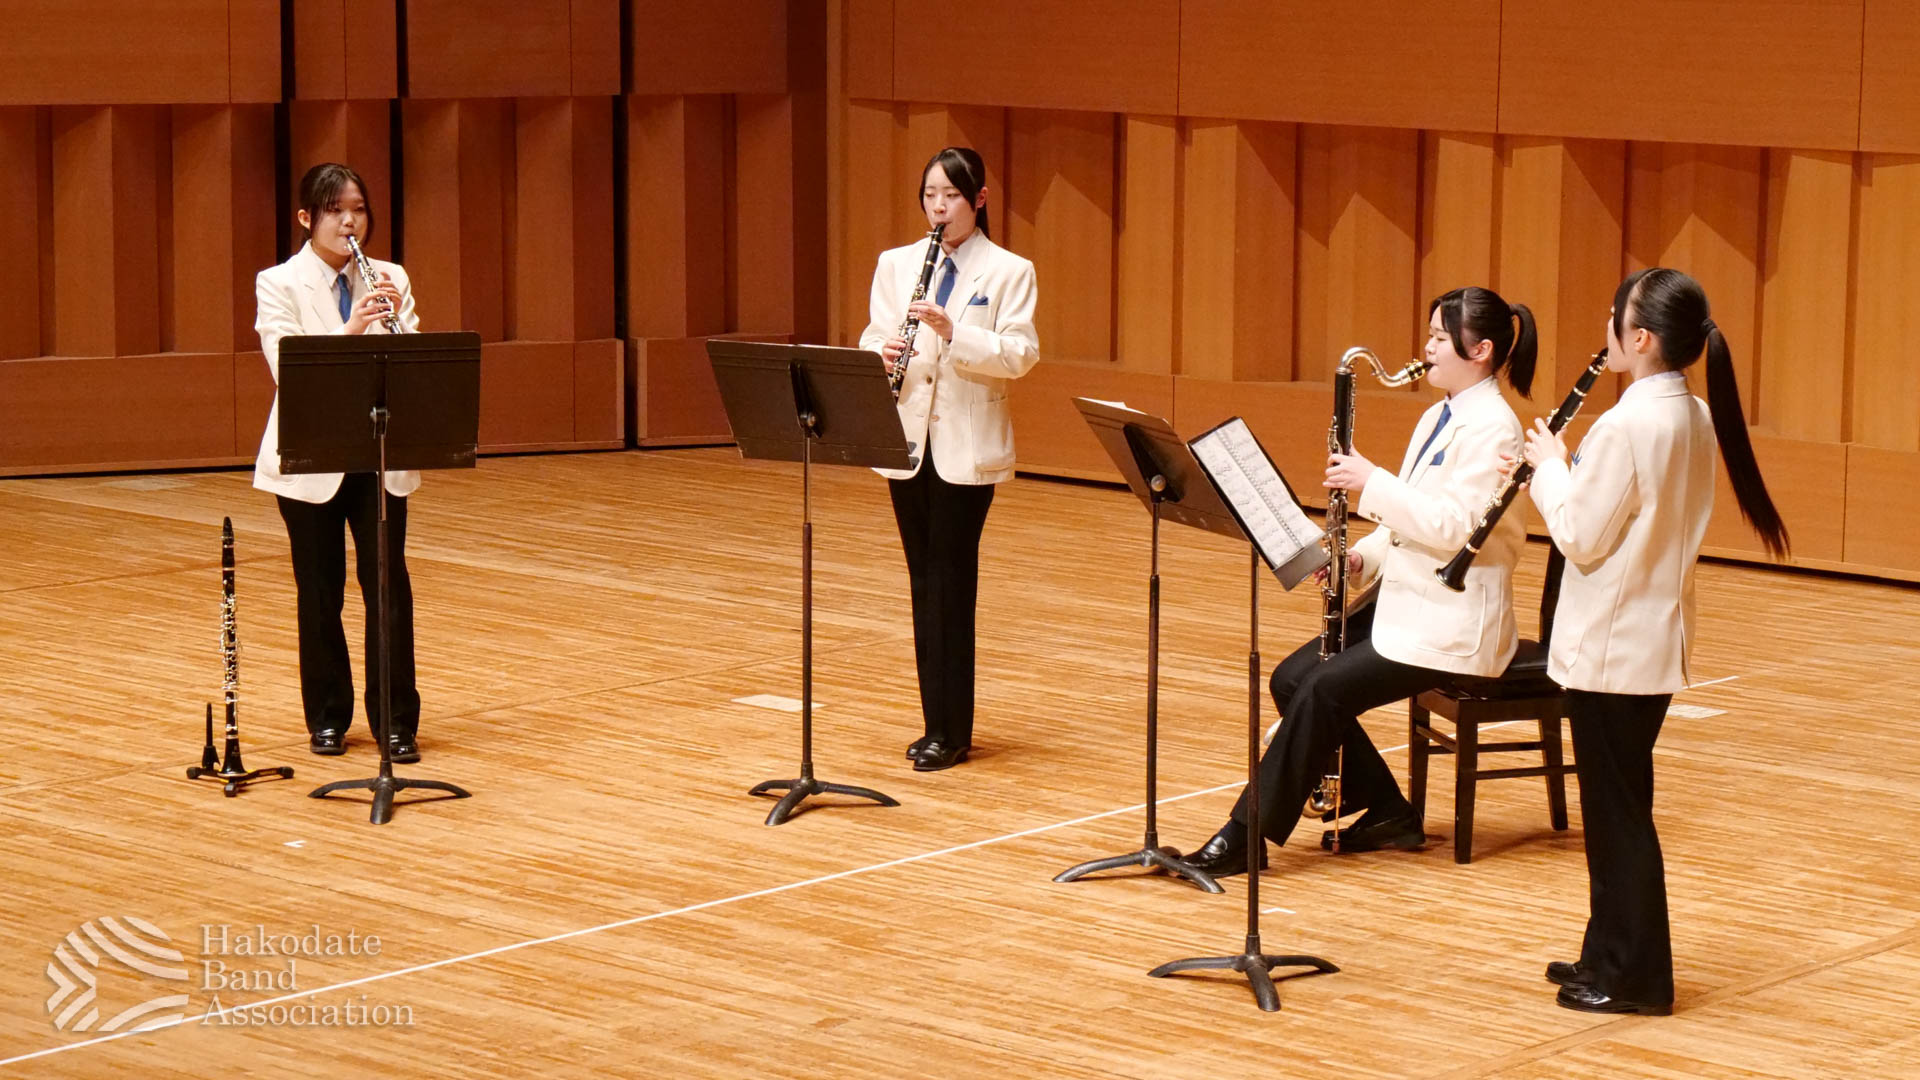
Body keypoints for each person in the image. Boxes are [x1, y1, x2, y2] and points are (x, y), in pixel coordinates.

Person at [1184, 287, 1539, 875]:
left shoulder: (1495, 428)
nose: (1426, 349)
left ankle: (1245, 836)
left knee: (1324, 689)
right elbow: (1408, 523)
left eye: (1440, 338)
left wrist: (1370, 480)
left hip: (1455, 621)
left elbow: (1454, 528)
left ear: (1480, 350)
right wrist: (1359, 558)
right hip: (1410, 597)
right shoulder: (1439, 413)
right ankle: (1388, 810)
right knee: (1292, 678)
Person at [1523, 267, 1789, 1016]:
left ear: (1639, 338)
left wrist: (1550, 469)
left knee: (1619, 820)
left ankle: (1634, 978)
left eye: (1614, 317)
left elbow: (1579, 535)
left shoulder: (1627, 424)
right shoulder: (1692, 413)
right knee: (1620, 808)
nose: (1605, 328)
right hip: (1650, 640)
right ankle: (1605, 952)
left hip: (1611, 649)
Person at [859, 147, 1039, 772]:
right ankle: (932, 721)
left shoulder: (1010, 271)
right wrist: (881, 352)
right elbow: (872, 333)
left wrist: (952, 331)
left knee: (950, 581)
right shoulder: (897, 263)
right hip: (907, 441)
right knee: (921, 581)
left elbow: (1019, 354)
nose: (938, 207)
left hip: (967, 447)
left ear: (978, 200)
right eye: (930, 195)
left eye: (951, 196)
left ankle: (951, 730)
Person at [252, 162, 425, 763]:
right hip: (311, 455)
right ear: (307, 217)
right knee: (319, 592)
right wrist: (353, 328)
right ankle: (327, 718)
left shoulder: (391, 276)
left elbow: (414, 366)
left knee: (388, 589)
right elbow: (288, 367)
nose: (350, 222)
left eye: (358, 209)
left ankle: (396, 722)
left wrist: (396, 328)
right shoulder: (278, 282)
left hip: (378, 453)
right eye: (335, 211)